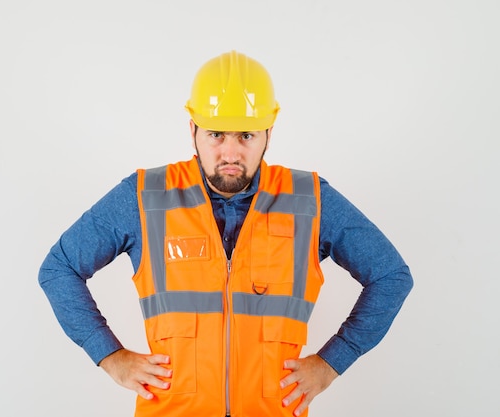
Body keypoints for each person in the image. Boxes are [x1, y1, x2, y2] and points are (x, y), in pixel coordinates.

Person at [38, 50, 413, 417]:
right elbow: (59, 268)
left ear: (268, 133)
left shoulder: (310, 200)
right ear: (193, 131)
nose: (230, 152)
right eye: (216, 134)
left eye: (246, 135)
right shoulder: (144, 196)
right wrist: (110, 356)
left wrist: (332, 363)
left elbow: (391, 276)